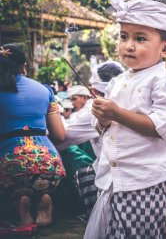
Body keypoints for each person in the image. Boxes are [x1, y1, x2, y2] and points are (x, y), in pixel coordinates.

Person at [84, 0, 166, 239]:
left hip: (145, 179)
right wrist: (103, 118)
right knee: (114, 232)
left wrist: (117, 113)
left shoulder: (164, 81)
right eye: (123, 37)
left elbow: (161, 126)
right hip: (115, 177)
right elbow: (101, 128)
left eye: (140, 38)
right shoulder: (117, 81)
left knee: (138, 233)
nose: (128, 45)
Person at [0, 44, 66, 227]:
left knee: (14, 179)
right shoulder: (45, 91)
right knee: (41, 182)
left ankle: (20, 201)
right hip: (49, 163)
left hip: (11, 163)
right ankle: (45, 197)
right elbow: (60, 135)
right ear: (24, 65)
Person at [56, 60, 124, 223]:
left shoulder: (96, 110)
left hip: (116, 181)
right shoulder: (135, 102)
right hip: (143, 182)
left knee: (72, 156)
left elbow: (62, 139)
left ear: (92, 90)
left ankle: (92, 212)